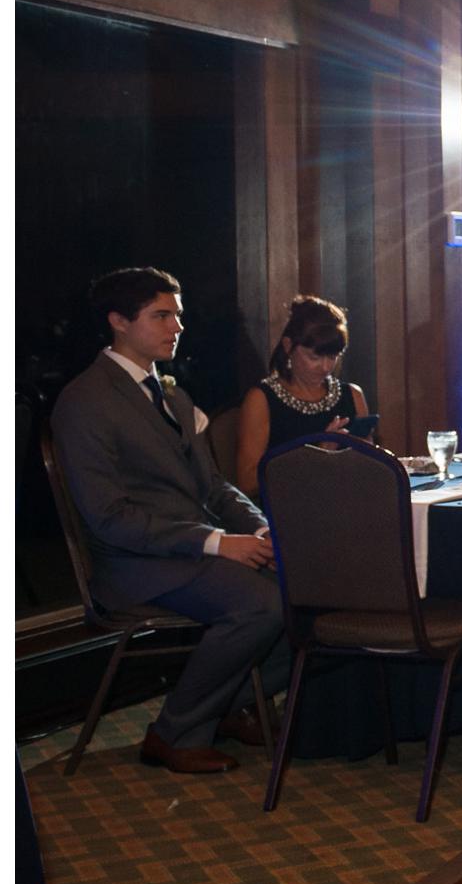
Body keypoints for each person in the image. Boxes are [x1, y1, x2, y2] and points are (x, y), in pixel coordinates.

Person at [49, 268, 283, 774]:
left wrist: (262, 527)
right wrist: (219, 544)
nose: (177, 326)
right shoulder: (83, 402)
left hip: (188, 551)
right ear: (118, 322)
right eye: (161, 315)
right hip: (132, 564)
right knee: (263, 603)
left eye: (178, 315)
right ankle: (173, 731)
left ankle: (228, 705)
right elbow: (109, 519)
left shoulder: (172, 394)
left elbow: (215, 486)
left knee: (316, 584)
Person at [232, 295, 371, 496]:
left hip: (347, 500)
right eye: (314, 357)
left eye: (332, 357)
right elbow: (248, 482)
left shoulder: (353, 395)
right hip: (289, 508)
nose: (325, 367)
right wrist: (319, 458)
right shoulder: (262, 399)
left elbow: (370, 471)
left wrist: (366, 454)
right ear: (289, 346)